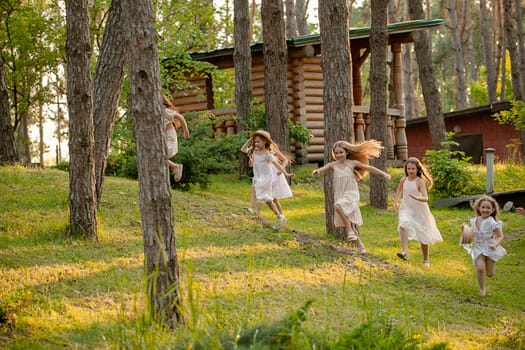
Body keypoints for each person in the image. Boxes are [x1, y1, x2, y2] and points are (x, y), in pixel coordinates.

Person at [312, 140, 391, 255]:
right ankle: (361, 246)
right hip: (340, 194)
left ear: (347, 153)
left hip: (352, 193)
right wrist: (317, 171)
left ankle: (348, 230)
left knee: (338, 206)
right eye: (336, 153)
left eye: (341, 152)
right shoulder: (332, 165)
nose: (339, 155)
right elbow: (322, 169)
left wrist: (384, 174)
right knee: (349, 218)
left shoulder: (352, 163)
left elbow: (369, 168)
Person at [393, 157, 442, 267]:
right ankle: (405, 252)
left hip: (419, 209)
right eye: (408, 169)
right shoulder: (403, 180)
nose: (410, 171)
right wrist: (395, 203)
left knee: (422, 234)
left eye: (413, 169)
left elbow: (426, 198)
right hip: (406, 208)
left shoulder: (419, 181)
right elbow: (399, 191)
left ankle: (426, 260)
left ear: (417, 169)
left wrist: (417, 198)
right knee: (403, 224)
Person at [240, 130, 294, 222]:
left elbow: (277, 165)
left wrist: (286, 173)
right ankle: (280, 217)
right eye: (255, 141)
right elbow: (243, 149)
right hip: (258, 177)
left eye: (258, 141)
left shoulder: (267, 155)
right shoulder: (254, 151)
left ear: (265, 141)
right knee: (267, 200)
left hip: (266, 179)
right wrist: (249, 141)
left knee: (260, 193)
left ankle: (253, 209)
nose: (256, 143)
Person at [462, 195, 506, 296]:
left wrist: (495, 244)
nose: (485, 210)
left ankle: (488, 261)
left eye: (488, 208)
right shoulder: (474, 220)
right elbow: (472, 234)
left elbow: (500, 236)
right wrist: (466, 234)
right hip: (478, 247)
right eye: (483, 207)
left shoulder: (492, 222)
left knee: (490, 274)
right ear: (479, 208)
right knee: (480, 268)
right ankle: (482, 289)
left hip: (490, 246)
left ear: (493, 209)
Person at [162, 94, 189, 182]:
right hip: (164, 137)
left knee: (159, 156)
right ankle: (175, 166)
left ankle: (176, 166)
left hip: (170, 137)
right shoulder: (157, 112)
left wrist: (186, 131)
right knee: (156, 157)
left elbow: (181, 117)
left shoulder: (165, 111)